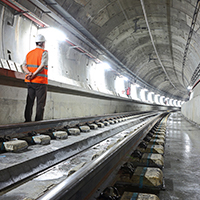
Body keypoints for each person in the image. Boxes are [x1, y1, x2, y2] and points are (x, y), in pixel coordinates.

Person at [22, 34, 48, 122]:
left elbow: (23, 65)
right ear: (43, 43)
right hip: (40, 82)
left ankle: (27, 120)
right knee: (40, 103)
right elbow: (42, 65)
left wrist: (28, 73)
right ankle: (38, 122)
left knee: (29, 101)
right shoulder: (44, 52)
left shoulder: (29, 53)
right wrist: (34, 74)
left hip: (30, 81)